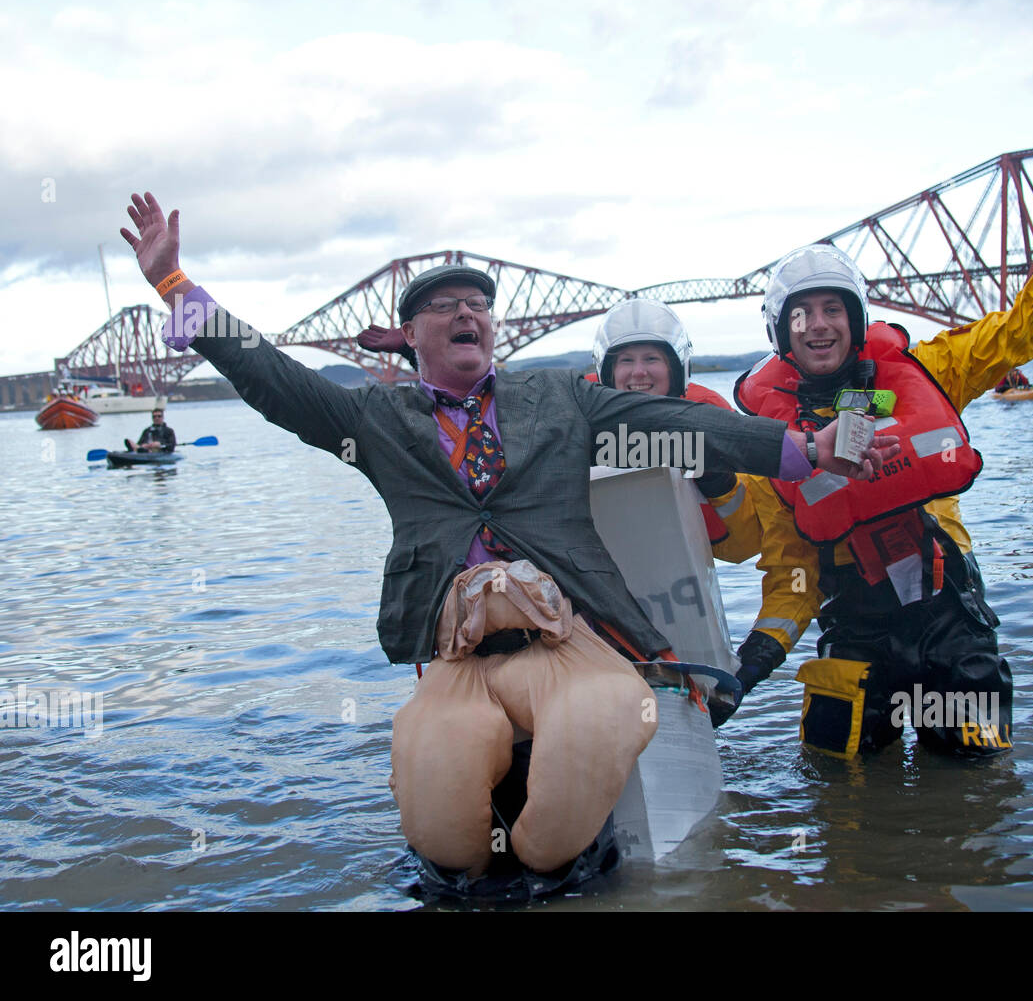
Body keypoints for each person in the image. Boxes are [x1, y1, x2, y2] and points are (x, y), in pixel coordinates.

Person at [119, 191, 897, 883]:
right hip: (457, 654)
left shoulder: (562, 397)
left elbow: (678, 425)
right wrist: (175, 286)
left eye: (477, 306)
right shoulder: (375, 421)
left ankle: (553, 865)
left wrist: (804, 451)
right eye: (446, 307)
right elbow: (269, 376)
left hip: (565, 641)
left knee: (605, 720)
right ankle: (480, 862)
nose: (467, 315)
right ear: (412, 335)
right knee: (443, 821)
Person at [725, 152, 1033, 757]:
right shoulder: (773, 440)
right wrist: (749, 666)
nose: (819, 326)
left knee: (979, 784)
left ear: (857, 318)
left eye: (833, 309)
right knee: (838, 778)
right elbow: (790, 570)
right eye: (802, 314)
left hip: (951, 619)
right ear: (780, 331)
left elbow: (1026, 329)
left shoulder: (931, 371)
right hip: (856, 631)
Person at [590, 297, 759, 563]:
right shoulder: (577, 424)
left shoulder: (710, 420)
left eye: (651, 358)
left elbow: (744, 547)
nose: (639, 372)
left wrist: (716, 479)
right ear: (607, 372)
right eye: (625, 360)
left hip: (682, 586)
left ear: (677, 368)